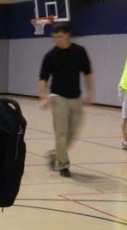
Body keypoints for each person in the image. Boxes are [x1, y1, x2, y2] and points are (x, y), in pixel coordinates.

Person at [37, 22, 93, 177]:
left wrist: (89, 92)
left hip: (76, 97)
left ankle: (54, 154)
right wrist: (44, 97)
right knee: (61, 133)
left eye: (60, 36)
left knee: (72, 134)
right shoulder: (50, 56)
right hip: (58, 97)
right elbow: (43, 79)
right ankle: (63, 165)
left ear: (67, 35)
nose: (57, 40)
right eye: (54, 37)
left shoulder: (79, 52)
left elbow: (87, 73)